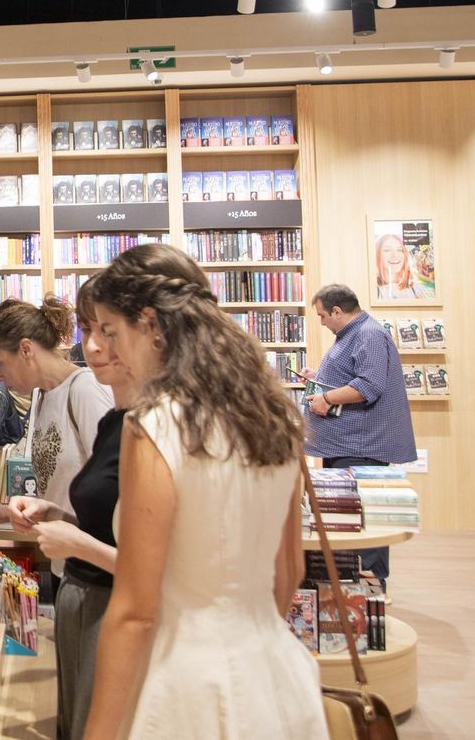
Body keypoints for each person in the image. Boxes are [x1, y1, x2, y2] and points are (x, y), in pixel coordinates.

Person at [82, 244, 325, 740]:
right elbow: (288, 572)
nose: (107, 347)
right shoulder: (273, 417)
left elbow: (134, 614)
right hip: (275, 674)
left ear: (150, 324)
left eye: (111, 331)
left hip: (186, 684)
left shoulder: (154, 426)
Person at [4, 282, 138, 740]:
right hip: (80, 581)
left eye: (107, 331)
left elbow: (153, 564)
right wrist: (54, 514)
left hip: (107, 590)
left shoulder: (103, 401)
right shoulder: (62, 401)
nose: (93, 346)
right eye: (87, 330)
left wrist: (75, 537)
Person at [298, 283, 417, 584]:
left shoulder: (368, 335)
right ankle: (352, 581)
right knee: (347, 515)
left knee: (363, 514)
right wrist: (320, 379)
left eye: (322, 316)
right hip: (346, 442)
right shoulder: (353, 334)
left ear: (337, 311)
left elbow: (369, 385)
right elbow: (353, 376)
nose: (322, 322)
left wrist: (327, 398)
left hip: (361, 445)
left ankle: (372, 583)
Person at [0, 296, 113, 537]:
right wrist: (8, 512)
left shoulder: (84, 390)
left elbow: (114, 491)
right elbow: (58, 493)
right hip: (63, 550)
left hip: (90, 552)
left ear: (26, 350)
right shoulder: (41, 396)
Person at [374, 232, 430, 300]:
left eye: (399, 250)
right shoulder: (373, 290)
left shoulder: (414, 287)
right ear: (376, 255)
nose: (395, 255)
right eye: (387, 250)